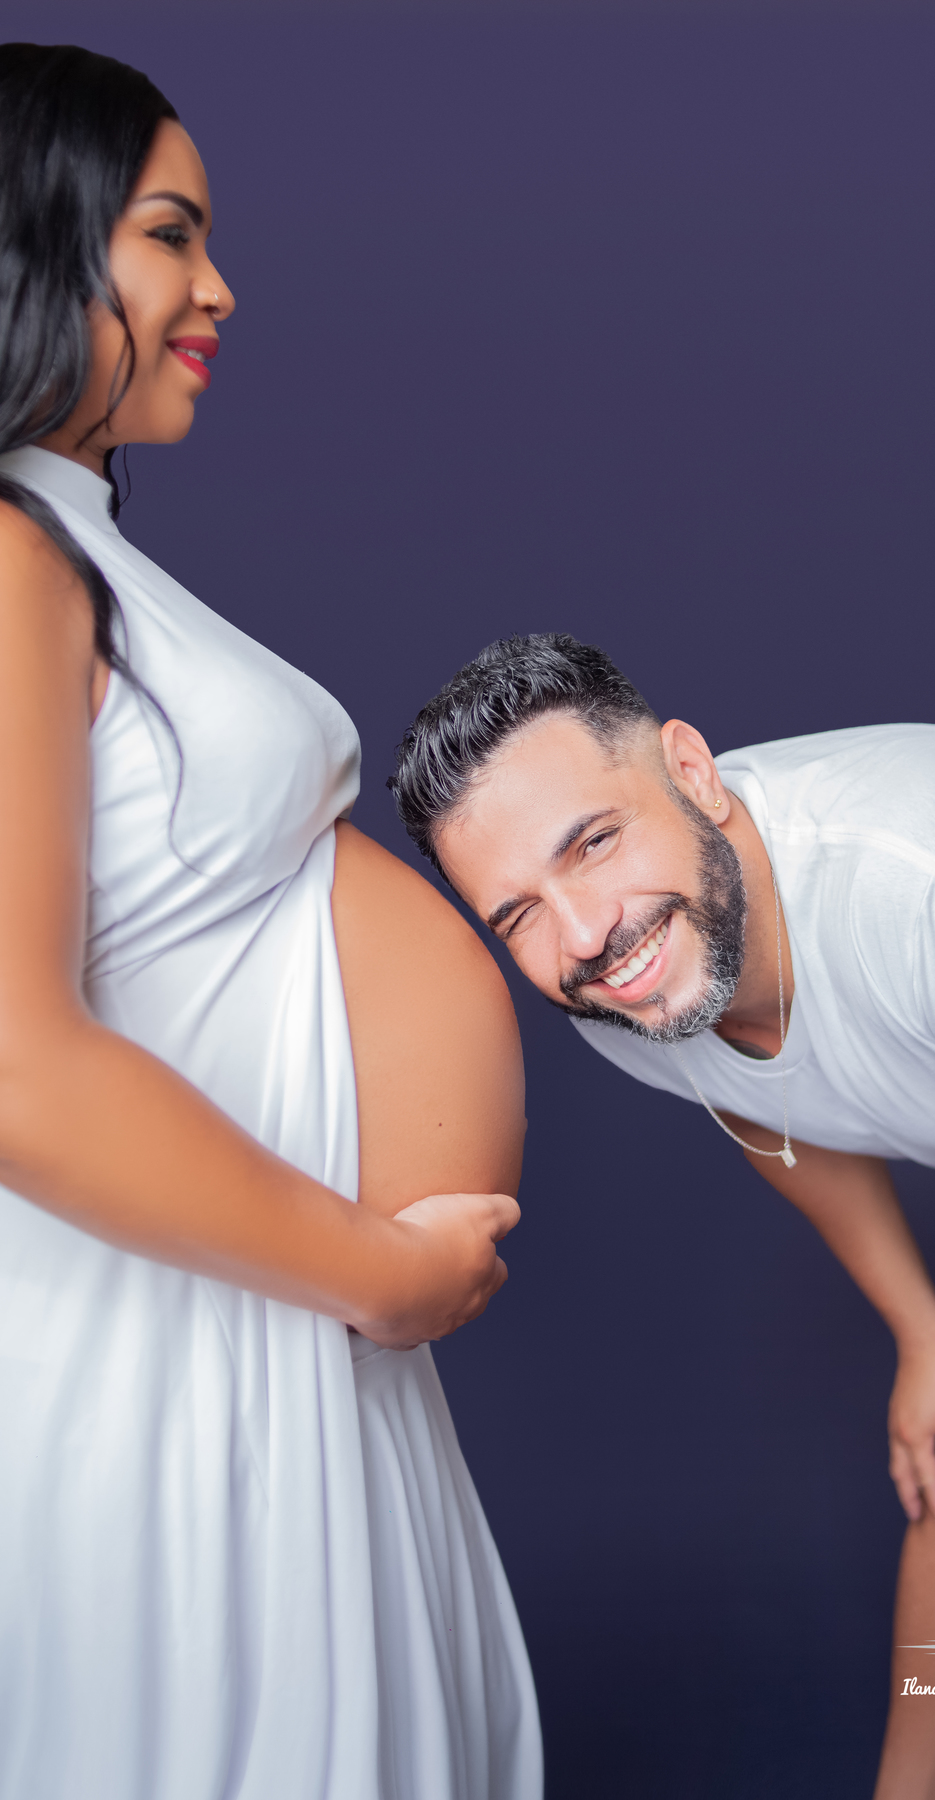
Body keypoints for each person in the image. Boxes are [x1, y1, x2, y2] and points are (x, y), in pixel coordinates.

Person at [0, 43, 541, 1800]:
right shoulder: (4, 556)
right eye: (169, 235)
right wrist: (384, 1270)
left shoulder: (71, 546)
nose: (220, 287)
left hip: (270, 1330)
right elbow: (14, 1064)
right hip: (171, 1351)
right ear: (34, 238)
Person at [390, 630, 935, 1800]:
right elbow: (769, 1113)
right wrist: (922, 1340)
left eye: (596, 843)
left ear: (692, 771)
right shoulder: (621, 987)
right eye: (515, 912)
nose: (581, 934)